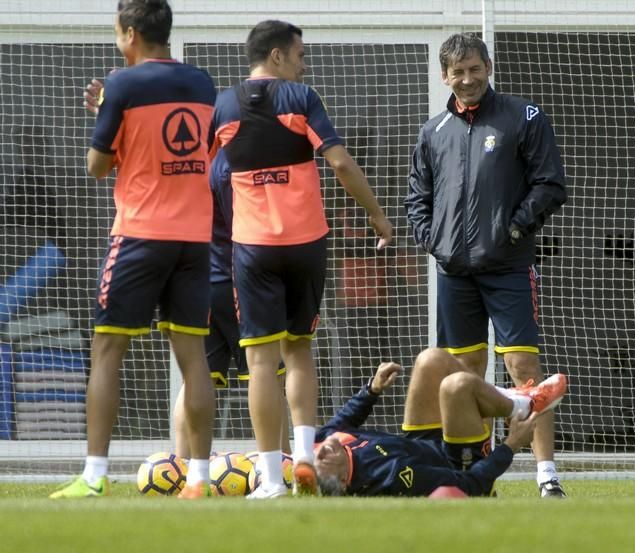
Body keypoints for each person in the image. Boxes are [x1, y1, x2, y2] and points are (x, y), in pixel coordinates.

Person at [210, 20, 393, 498]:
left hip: (252, 249)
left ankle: (271, 479)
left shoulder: (223, 106)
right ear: (276, 56)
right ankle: (306, 459)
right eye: (299, 55)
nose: (303, 63)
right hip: (307, 245)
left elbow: (204, 177)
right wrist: (376, 215)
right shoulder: (302, 99)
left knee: (260, 362)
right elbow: (339, 163)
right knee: (299, 352)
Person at [50, 0, 216, 499]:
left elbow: (97, 166)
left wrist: (106, 112)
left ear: (128, 34)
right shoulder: (203, 83)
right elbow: (198, 154)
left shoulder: (120, 85)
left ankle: (95, 475)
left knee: (107, 348)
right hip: (194, 237)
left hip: (141, 234)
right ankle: (201, 479)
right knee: (193, 357)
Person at [404, 32, 568, 497]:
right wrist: (433, 241)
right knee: (462, 375)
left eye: (475, 69)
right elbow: (418, 198)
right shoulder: (432, 131)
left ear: (489, 68)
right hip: (454, 273)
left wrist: (513, 229)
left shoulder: (523, 116)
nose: (467, 78)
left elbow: (550, 184)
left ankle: (547, 476)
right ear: (445, 76)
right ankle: (476, 476)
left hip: (508, 267)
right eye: (458, 71)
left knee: (522, 368)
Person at [313, 347, 568, 497]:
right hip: (459, 464)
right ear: (345, 480)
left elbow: (341, 422)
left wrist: (372, 389)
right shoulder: (391, 478)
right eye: (323, 460)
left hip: (421, 444)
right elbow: (469, 485)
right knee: (455, 387)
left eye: (316, 452)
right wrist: (510, 446)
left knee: (430, 359)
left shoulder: (325, 444)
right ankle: (521, 406)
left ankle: (512, 400)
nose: (322, 448)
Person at [173, 150, 291, 457]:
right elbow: (248, 226)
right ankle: (280, 467)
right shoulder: (233, 162)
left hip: (199, 284)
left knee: (196, 379)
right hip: (238, 284)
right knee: (268, 374)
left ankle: (182, 469)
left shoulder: (191, 161)